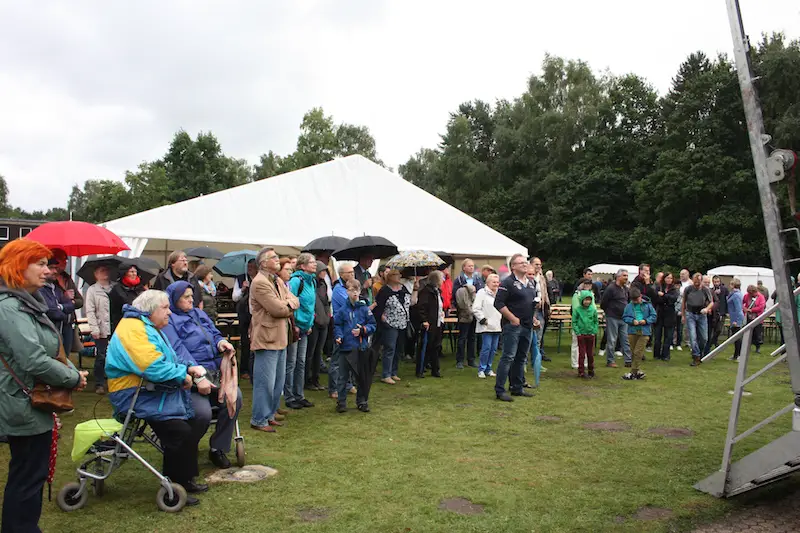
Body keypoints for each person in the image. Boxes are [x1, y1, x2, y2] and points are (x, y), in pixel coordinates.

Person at [0, 239, 87, 533]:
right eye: (39, 264)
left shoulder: (26, 303)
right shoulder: (10, 308)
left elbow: (52, 350)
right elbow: (34, 359)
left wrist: (72, 371)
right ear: (17, 267)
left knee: (29, 475)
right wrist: (72, 378)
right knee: (27, 476)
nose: (47, 270)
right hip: (20, 402)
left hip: (28, 401)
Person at [106, 290, 208, 505]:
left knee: (190, 422)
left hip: (147, 391)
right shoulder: (133, 329)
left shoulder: (145, 326)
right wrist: (183, 375)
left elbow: (168, 359)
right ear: (150, 310)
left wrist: (188, 368)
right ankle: (175, 486)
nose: (170, 312)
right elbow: (153, 367)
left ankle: (185, 480)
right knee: (179, 430)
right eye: (165, 307)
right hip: (132, 395)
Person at [162, 281, 242, 468]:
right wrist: (197, 374)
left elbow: (214, 333)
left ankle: (217, 448)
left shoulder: (199, 313)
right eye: (186, 297)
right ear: (174, 299)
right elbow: (178, 351)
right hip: (190, 378)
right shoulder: (169, 320)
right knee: (202, 413)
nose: (192, 300)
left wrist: (221, 342)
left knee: (235, 398)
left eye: (192, 296)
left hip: (214, 372)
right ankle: (187, 447)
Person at [248, 248, 299, 433]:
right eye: (274, 257)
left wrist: (287, 304)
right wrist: (287, 305)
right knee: (265, 383)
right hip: (266, 338)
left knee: (278, 381)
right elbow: (278, 310)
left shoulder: (277, 280)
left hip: (281, 337)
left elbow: (294, 299)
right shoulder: (260, 283)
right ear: (263, 263)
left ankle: (269, 415)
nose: (278, 260)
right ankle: (259, 419)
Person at [493, 254, 536, 402]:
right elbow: (498, 303)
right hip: (512, 326)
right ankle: (500, 390)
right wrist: (511, 318)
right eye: (521, 263)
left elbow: (529, 303)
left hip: (527, 325)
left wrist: (534, 318)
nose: (525, 264)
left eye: (526, 262)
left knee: (521, 357)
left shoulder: (530, 283)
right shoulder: (508, 283)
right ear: (513, 266)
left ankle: (517, 387)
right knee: (508, 357)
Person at [333, 279, 377, 412]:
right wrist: (339, 336)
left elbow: (373, 325)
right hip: (346, 348)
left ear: (360, 291)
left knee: (361, 377)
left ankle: (362, 401)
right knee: (342, 377)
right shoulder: (342, 310)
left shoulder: (364, 309)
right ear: (347, 291)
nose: (354, 293)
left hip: (360, 348)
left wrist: (363, 330)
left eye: (356, 290)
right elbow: (337, 325)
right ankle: (341, 402)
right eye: (351, 290)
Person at [285, 253, 317, 410]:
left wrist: (310, 323)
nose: (315, 264)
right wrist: (294, 324)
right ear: (302, 265)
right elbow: (290, 303)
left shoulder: (312, 282)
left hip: (305, 327)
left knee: (301, 362)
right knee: (291, 362)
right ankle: (289, 396)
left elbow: (310, 306)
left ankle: (299, 395)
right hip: (296, 327)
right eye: (311, 262)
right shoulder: (296, 281)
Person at [375, 269, 410, 385]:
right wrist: (382, 317)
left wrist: (415, 289)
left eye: (399, 275)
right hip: (390, 323)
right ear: (390, 277)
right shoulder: (384, 291)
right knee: (390, 348)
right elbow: (378, 306)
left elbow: (411, 302)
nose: (399, 277)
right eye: (396, 275)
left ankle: (394, 371)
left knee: (398, 349)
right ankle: (386, 374)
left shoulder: (403, 289)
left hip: (402, 323)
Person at [48, 249, 84, 353]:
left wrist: (71, 302)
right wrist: (65, 298)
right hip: (55, 323)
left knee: (66, 353)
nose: (64, 263)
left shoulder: (67, 278)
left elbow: (80, 301)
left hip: (68, 322)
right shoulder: (49, 280)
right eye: (61, 259)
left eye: (66, 260)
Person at [330, 264, 357, 398]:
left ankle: (348, 384)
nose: (352, 274)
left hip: (351, 326)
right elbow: (352, 303)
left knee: (350, 357)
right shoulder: (338, 289)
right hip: (341, 327)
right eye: (349, 272)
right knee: (337, 359)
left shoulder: (350, 287)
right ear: (341, 274)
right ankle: (334, 388)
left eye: (353, 272)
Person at [85, 264, 113, 394]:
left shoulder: (115, 288)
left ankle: (113, 381)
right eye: (102, 270)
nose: (105, 272)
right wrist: (94, 328)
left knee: (114, 356)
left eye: (106, 269)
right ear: (96, 274)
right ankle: (99, 383)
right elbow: (90, 311)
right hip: (101, 328)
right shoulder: (92, 290)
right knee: (101, 356)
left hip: (115, 327)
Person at [39, 257, 75, 349]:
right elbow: (51, 311)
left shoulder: (57, 289)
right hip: (49, 332)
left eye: (56, 268)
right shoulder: (40, 289)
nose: (55, 271)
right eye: (51, 268)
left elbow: (71, 305)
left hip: (64, 329)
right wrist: (63, 312)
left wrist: (60, 307)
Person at [622, 287, 657, 380]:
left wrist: (646, 321)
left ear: (640, 296)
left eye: (637, 299)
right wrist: (632, 321)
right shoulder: (628, 306)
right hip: (632, 331)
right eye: (633, 300)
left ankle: (633, 372)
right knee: (633, 352)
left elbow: (654, 316)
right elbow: (625, 317)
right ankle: (637, 372)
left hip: (644, 332)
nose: (636, 302)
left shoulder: (648, 305)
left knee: (638, 352)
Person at [306, 263, 331, 391]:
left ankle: (316, 379)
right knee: (310, 352)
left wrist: (327, 317)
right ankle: (307, 380)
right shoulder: (311, 284)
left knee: (318, 352)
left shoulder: (323, 284)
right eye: (322, 271)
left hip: (324, 321)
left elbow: (326, 302)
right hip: (314, 322)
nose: (324, 273)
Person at [416, 270, 445, 379]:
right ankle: (420, 369)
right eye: (441, 278)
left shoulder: (437, 291)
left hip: (438, 321)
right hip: (429, 322)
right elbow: (421, 307)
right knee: (425, 346)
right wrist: (424, 320)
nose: (443, 280)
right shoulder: (426, 291)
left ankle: (435, 369)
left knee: (436, 346)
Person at [600, 269, 631, 368]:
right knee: (612, 340)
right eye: (624, 276)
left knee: (625, 339)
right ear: (618, 277)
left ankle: (628, 360)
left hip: (624, 318)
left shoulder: (625, 289)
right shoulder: (611, 288)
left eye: (627, 276)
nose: (626, 278)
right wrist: (609, 312)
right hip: (612, 317)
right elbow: (603, 303)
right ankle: (610, 361)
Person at [473, 273, 502, 378]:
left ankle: (489, 368)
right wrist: (483, 319)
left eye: (497, 282)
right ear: (488, 282)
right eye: (493, 282)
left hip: (497, 325)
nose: (496, 284)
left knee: (493, 349)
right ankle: (482, 369)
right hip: (486, 325)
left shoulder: (500, 293)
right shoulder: (482, 292)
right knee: (486, 347)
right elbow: (476, 308)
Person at [682, 273, 714, 366]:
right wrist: (683, 315)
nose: (697, 284)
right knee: (693, 337)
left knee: (704, 338)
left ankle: (699, 352)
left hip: (701, 314)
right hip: (690, 314)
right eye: (695, 282)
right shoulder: (688, 289)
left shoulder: (705, 290)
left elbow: (711, 302)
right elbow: (684, 302)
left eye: (699, 282)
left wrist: (707, 309)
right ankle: (696, 356)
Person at [233, 259, 257, 379]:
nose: (250, 268)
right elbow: (234, 297)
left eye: (252, 266)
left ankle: (254, 368)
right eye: (248, 266)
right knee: (245, 342)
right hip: (244, 315)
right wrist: (242, 288)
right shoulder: (240, 278)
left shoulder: (260, 279)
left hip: (256, 315)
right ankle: (244, 369)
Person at [109, 262, 146, 333]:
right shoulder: (117, 289)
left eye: (135, 271)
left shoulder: (140, 287)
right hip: (122, 324)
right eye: (131, 272)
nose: (134, 274)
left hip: (139, 325)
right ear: (124, 273)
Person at [652, 273, 679, 361]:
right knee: (658, 335)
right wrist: (665, 298)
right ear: (664, 278)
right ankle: (656, 354)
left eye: (671, 278)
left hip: (670, 314)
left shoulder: (674, 289)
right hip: (660, 313)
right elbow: (656, 298)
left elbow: (673, 299)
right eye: (667, 278)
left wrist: (663, 295)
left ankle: (665, 355)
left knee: (668, 336)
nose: (669, 279)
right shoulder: (659, 287)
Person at [572, 288, 598, 378]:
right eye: (586, 300)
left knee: (590, 354)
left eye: (589, 300)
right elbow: (574, 322)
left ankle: (591, 370)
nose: (587, 302)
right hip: (581, 334)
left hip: (590, 334)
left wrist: (594, 331)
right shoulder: (577, 310)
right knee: (582, 354)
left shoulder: (593, 310)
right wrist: (578, 332)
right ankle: (581, 371)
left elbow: (596, 321)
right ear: (582, 300)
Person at [570, 278, 595, 369]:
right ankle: (575, 362)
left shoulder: (591, 294)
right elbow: (576, 309)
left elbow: (593, 307)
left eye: (589, 284)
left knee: (587, 345)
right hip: (579, 323)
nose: (587, 286)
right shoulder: (577, 295)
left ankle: (585, 362)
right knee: (576, 343)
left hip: (589, 324)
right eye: (585, 284)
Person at [530, 257, 550, 362]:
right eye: (536, 264)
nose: (538, 266)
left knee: (538, 337)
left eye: (540, 264)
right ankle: (523, 363)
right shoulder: (528, 277)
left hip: (541, 310)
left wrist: (547, 306)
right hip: (529, 310)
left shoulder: (542, 278)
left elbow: (545, 293)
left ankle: (536, 362)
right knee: (527, 338)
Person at [454, 283, 477, 370]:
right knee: (462, 339)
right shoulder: (461, 291)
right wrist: (472, 312)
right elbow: (462, 305)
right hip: (464, 318)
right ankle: (460, 360)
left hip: (472, 317)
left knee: (471, 338)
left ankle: (470, 360)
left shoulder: (471, 290)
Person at [706, 275, 729, 354]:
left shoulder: (724, 289)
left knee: (719, 329)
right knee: (713, 328)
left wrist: (727, 311)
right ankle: (712, 343)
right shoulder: (711, 290)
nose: (716, 283)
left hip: (722, 311)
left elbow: (727, 300)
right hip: (714, 313)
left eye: (717, 281)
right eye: (715, 282)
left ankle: (713, 341)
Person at [743, 285, 766, 353]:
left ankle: (758, 347)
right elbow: (742, 302)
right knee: (749, 333)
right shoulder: (746, 296)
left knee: (757, 333)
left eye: (752, 293)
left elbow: (761, 307)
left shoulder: (761, 297)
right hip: (749, 317)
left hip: (757, 318)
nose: (751, 295)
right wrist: (744, 308)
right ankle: (748, 347)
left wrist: (752, 310)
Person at [727, 279, 745, 361]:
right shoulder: (734, 294)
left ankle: (740, 355)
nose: (729, 286)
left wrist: (736, 321)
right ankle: (735, 355)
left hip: (736, 318)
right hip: (733, 317)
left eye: (731, 284)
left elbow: (738, 308)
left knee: (737, 338)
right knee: (735, 338)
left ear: (733, 285)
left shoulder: (736, 295)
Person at [676, 269, 692, 350]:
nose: (681, 275)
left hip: (687, 305)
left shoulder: (691, 283)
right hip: (678, 305)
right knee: (677, 325)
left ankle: (687, 341)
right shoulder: (678, 283)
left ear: (687, 274)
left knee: (687, 325)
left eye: (683, 274)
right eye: (681, 274)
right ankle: (675, 341)